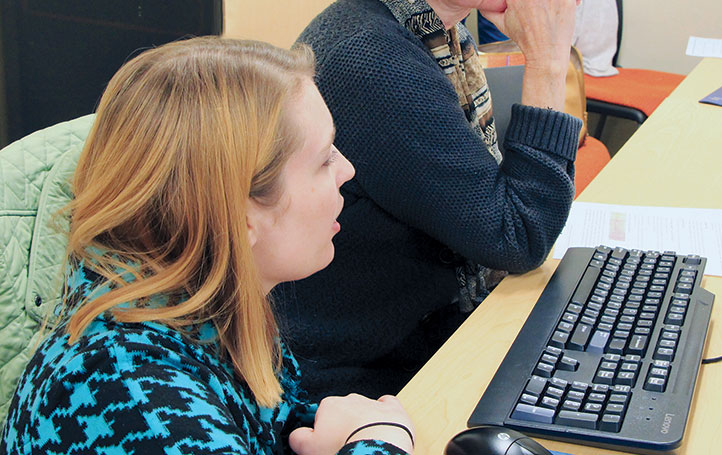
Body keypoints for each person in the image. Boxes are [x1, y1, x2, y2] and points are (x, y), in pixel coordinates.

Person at [274, 0, 584, 400]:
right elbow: (516, 236)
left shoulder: (428, 28)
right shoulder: (370, 61)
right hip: (367, 382)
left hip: (428, 339)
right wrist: (546, 63)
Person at [0, 37, 415, 455]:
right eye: (324, 158)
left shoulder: (208, 305)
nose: (347, 169)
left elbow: (259, 427)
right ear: (239, 215)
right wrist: (380, 442)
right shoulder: (131, 394)